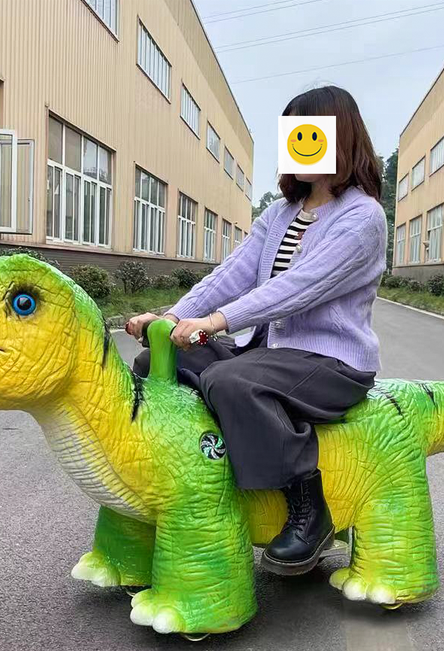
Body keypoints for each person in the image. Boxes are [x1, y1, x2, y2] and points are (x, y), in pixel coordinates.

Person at [127, 85, 386, 576]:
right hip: (267, 353)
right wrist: (172, 317)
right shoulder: (281, 212)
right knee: (158, 360)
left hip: (330, 363)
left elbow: (298, 287)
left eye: (311, 134)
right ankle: (195, 476)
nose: (300, 145)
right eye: (294, 136)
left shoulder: (363, 218)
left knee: (232, 381)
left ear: (341, 138)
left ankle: (309, 508)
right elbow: (233, 273)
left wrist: (215, 323)